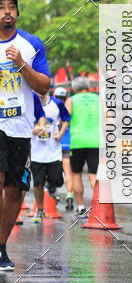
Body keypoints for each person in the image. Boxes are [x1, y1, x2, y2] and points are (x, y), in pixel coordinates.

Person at [0, 0, 51, 271]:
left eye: (11, 7)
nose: (7, 11)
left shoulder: (31, 44)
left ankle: (1, 247)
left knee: (14, 191)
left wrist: (21, 63)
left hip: (20, 130)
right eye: (1, 7)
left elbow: (43, 86)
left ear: (17, 13)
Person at [30, 90, 70, 222]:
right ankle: (40, 210)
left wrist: (61, 133)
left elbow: (66, 118)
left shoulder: (57, 103)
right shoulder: (30, 103)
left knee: (57, 180)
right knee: (37, 183)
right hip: (36, 151)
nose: (41, 91)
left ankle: (51, 186)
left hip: (53, 150)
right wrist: (32, 130)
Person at [65, 77, 100, 217]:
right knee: (94, 175)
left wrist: (60, 134)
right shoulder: (98, 99)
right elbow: (109, 119)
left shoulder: (71, 100)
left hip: (77, 142)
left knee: (76, 174)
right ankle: (100, 208)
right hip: (96, 142)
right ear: (88, 87)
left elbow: (65, 119)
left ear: (74, 89)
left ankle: (81, 208)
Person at [53, 86, 74, 211]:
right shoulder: (69, 109)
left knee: (50, 171)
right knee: (68, 172)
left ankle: (53, 194)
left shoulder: (52, 108)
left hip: (55, 144)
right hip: (67, 143)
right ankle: (69, 195)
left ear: (54, 96)